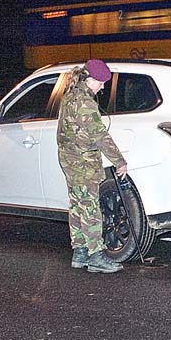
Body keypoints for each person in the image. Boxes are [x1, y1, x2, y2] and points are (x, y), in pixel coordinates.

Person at [57, 59, 128, 273]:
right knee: (90, 208)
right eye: (101, 82)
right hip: (83, 163)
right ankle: (96, 256)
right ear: (89, 80)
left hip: (70, 161)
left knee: (78, 206)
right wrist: (119, 161)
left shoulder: (70, 96)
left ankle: (80, 253)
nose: (103, 86)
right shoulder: (85, 103)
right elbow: (100, 136)